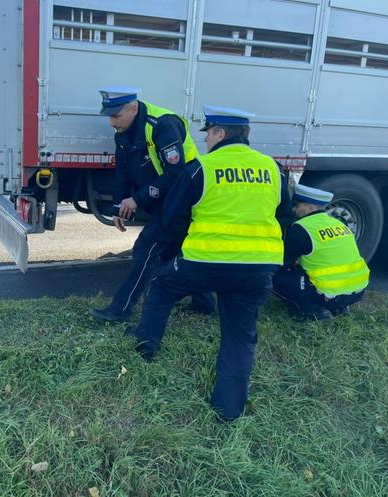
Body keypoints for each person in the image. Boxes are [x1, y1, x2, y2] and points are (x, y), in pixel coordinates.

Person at [126, 105, 293, 421]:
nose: (205, 141)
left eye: (208, 134)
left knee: (161, 287)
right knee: (239, 337)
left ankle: (145, 349)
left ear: (220, 133)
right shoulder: (273, 169)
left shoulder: (201, 168)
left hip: (203, 263)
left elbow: (174, 215)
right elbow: (285, 217)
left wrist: (170, 253)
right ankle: (228, 412)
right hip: (256, 270)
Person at [90, 86, 215, 324]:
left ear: (133, 108)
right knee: (183, 250)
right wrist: (118, 206)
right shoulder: (124, 131)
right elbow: (123, 171)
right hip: (165, 198)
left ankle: (119, 311)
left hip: (183, 198)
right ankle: (204, 304)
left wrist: (137, 199)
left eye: (115, 115)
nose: (111, 122)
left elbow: (176, 173)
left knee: (145, 251)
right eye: (109, 116)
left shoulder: (162, 125)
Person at [273, 184, 369, 320]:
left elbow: (282, 262)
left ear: (310, 207)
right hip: (357, 292)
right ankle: (338, 307)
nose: (293, 209)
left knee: (271, 273)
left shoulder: (301, 228)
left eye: (297, 205)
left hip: (328, 293)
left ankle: (311, 311)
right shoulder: (339, 224)